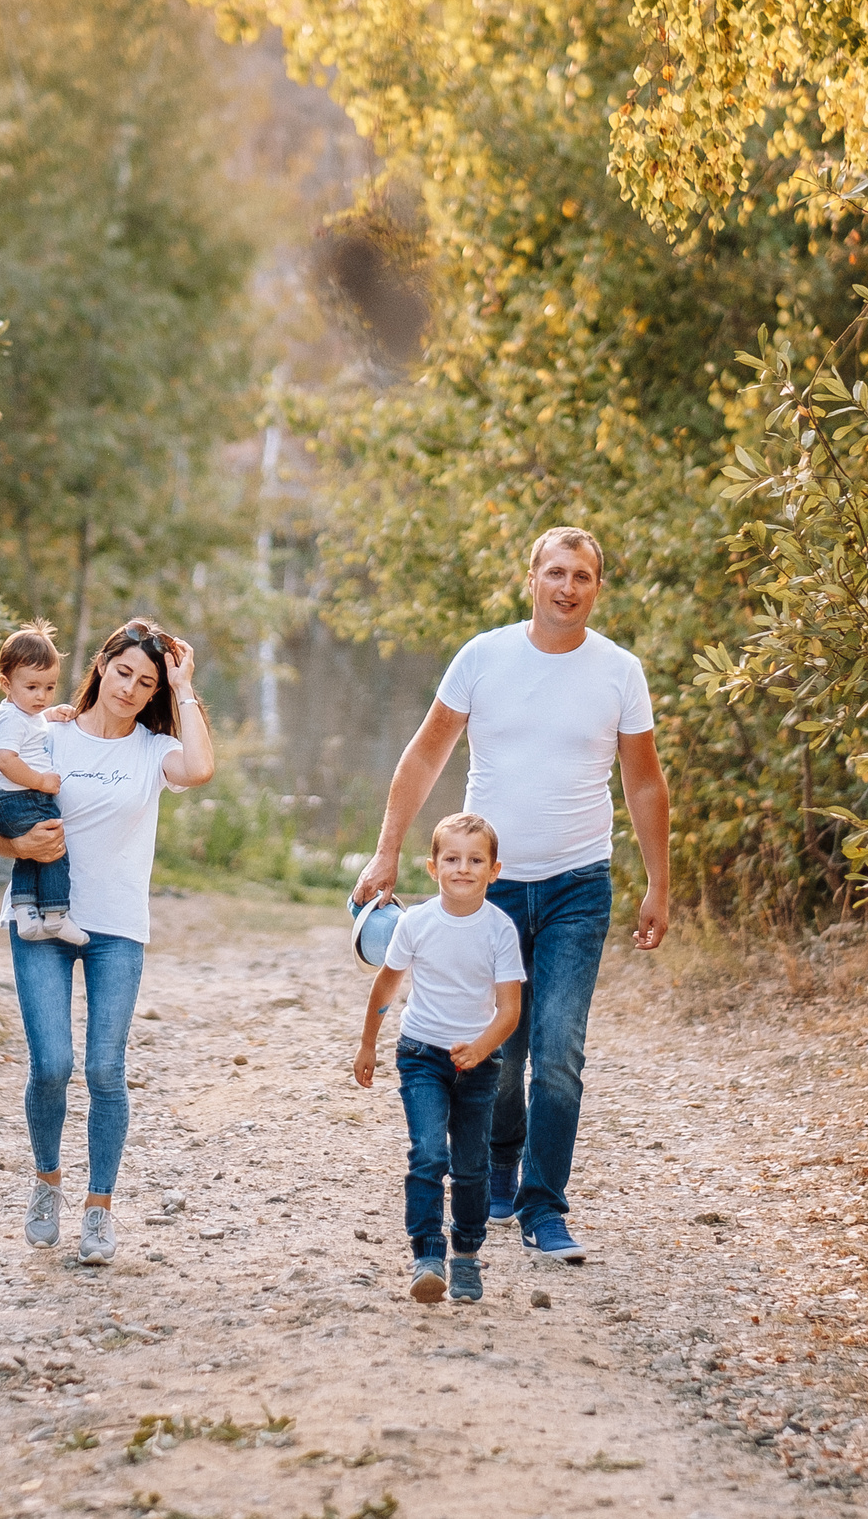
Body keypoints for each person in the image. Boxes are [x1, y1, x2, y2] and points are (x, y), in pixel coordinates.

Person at [348, 526, 671, 1266]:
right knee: (497, 1044)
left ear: (597, 586)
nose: (568, 586)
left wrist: (658, 882)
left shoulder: (619, 671)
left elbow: (644, 780)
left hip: (578, 886)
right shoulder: (483, 657)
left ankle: (543, 1204)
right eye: (556, 572)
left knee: (558, 1048)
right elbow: (427, 750)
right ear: (531, 578)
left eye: (583, 575)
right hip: (487, 892)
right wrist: (389, 847)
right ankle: (498, 1158)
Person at [0, 618, 215, 1266]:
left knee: (107, 1069)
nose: (131, 688)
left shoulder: (152, 748)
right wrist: (17, 844)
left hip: (117, 927)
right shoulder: (47, 730)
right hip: (39, 922)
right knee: (53, 1064)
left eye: (145, 682)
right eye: (123, 672)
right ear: (101, 665)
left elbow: (199, 767)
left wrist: (183, 684)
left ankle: (99, 1209)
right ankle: (47, 1181)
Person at [352, 812, 525, 1303]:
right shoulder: (417, 922)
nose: (463, 868)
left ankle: (466, 1255)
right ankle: (427, 1255)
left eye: (475, 860)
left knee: (472, 1167)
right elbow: (386, 984)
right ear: (432, 868)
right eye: (452, 858)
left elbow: (510, 1010)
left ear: (494, 870)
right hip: (422, 1054)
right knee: (429, 1153)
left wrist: (482, 1048)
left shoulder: (500, 930)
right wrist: (368, 1043)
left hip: (478, 1064)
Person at [0, 622, 88, 946]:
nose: (41, 696)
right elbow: (6, 760)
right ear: (6, 683)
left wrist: (52, 713)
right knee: (53, 848)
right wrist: (41, 781)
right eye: (32, 688)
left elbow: (33, 723)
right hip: (19, 797)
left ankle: (26, 913)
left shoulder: (22, 713)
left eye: (49, 688)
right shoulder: (12, 719)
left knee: (31, 852)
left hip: (11, 799)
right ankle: (56, 915)